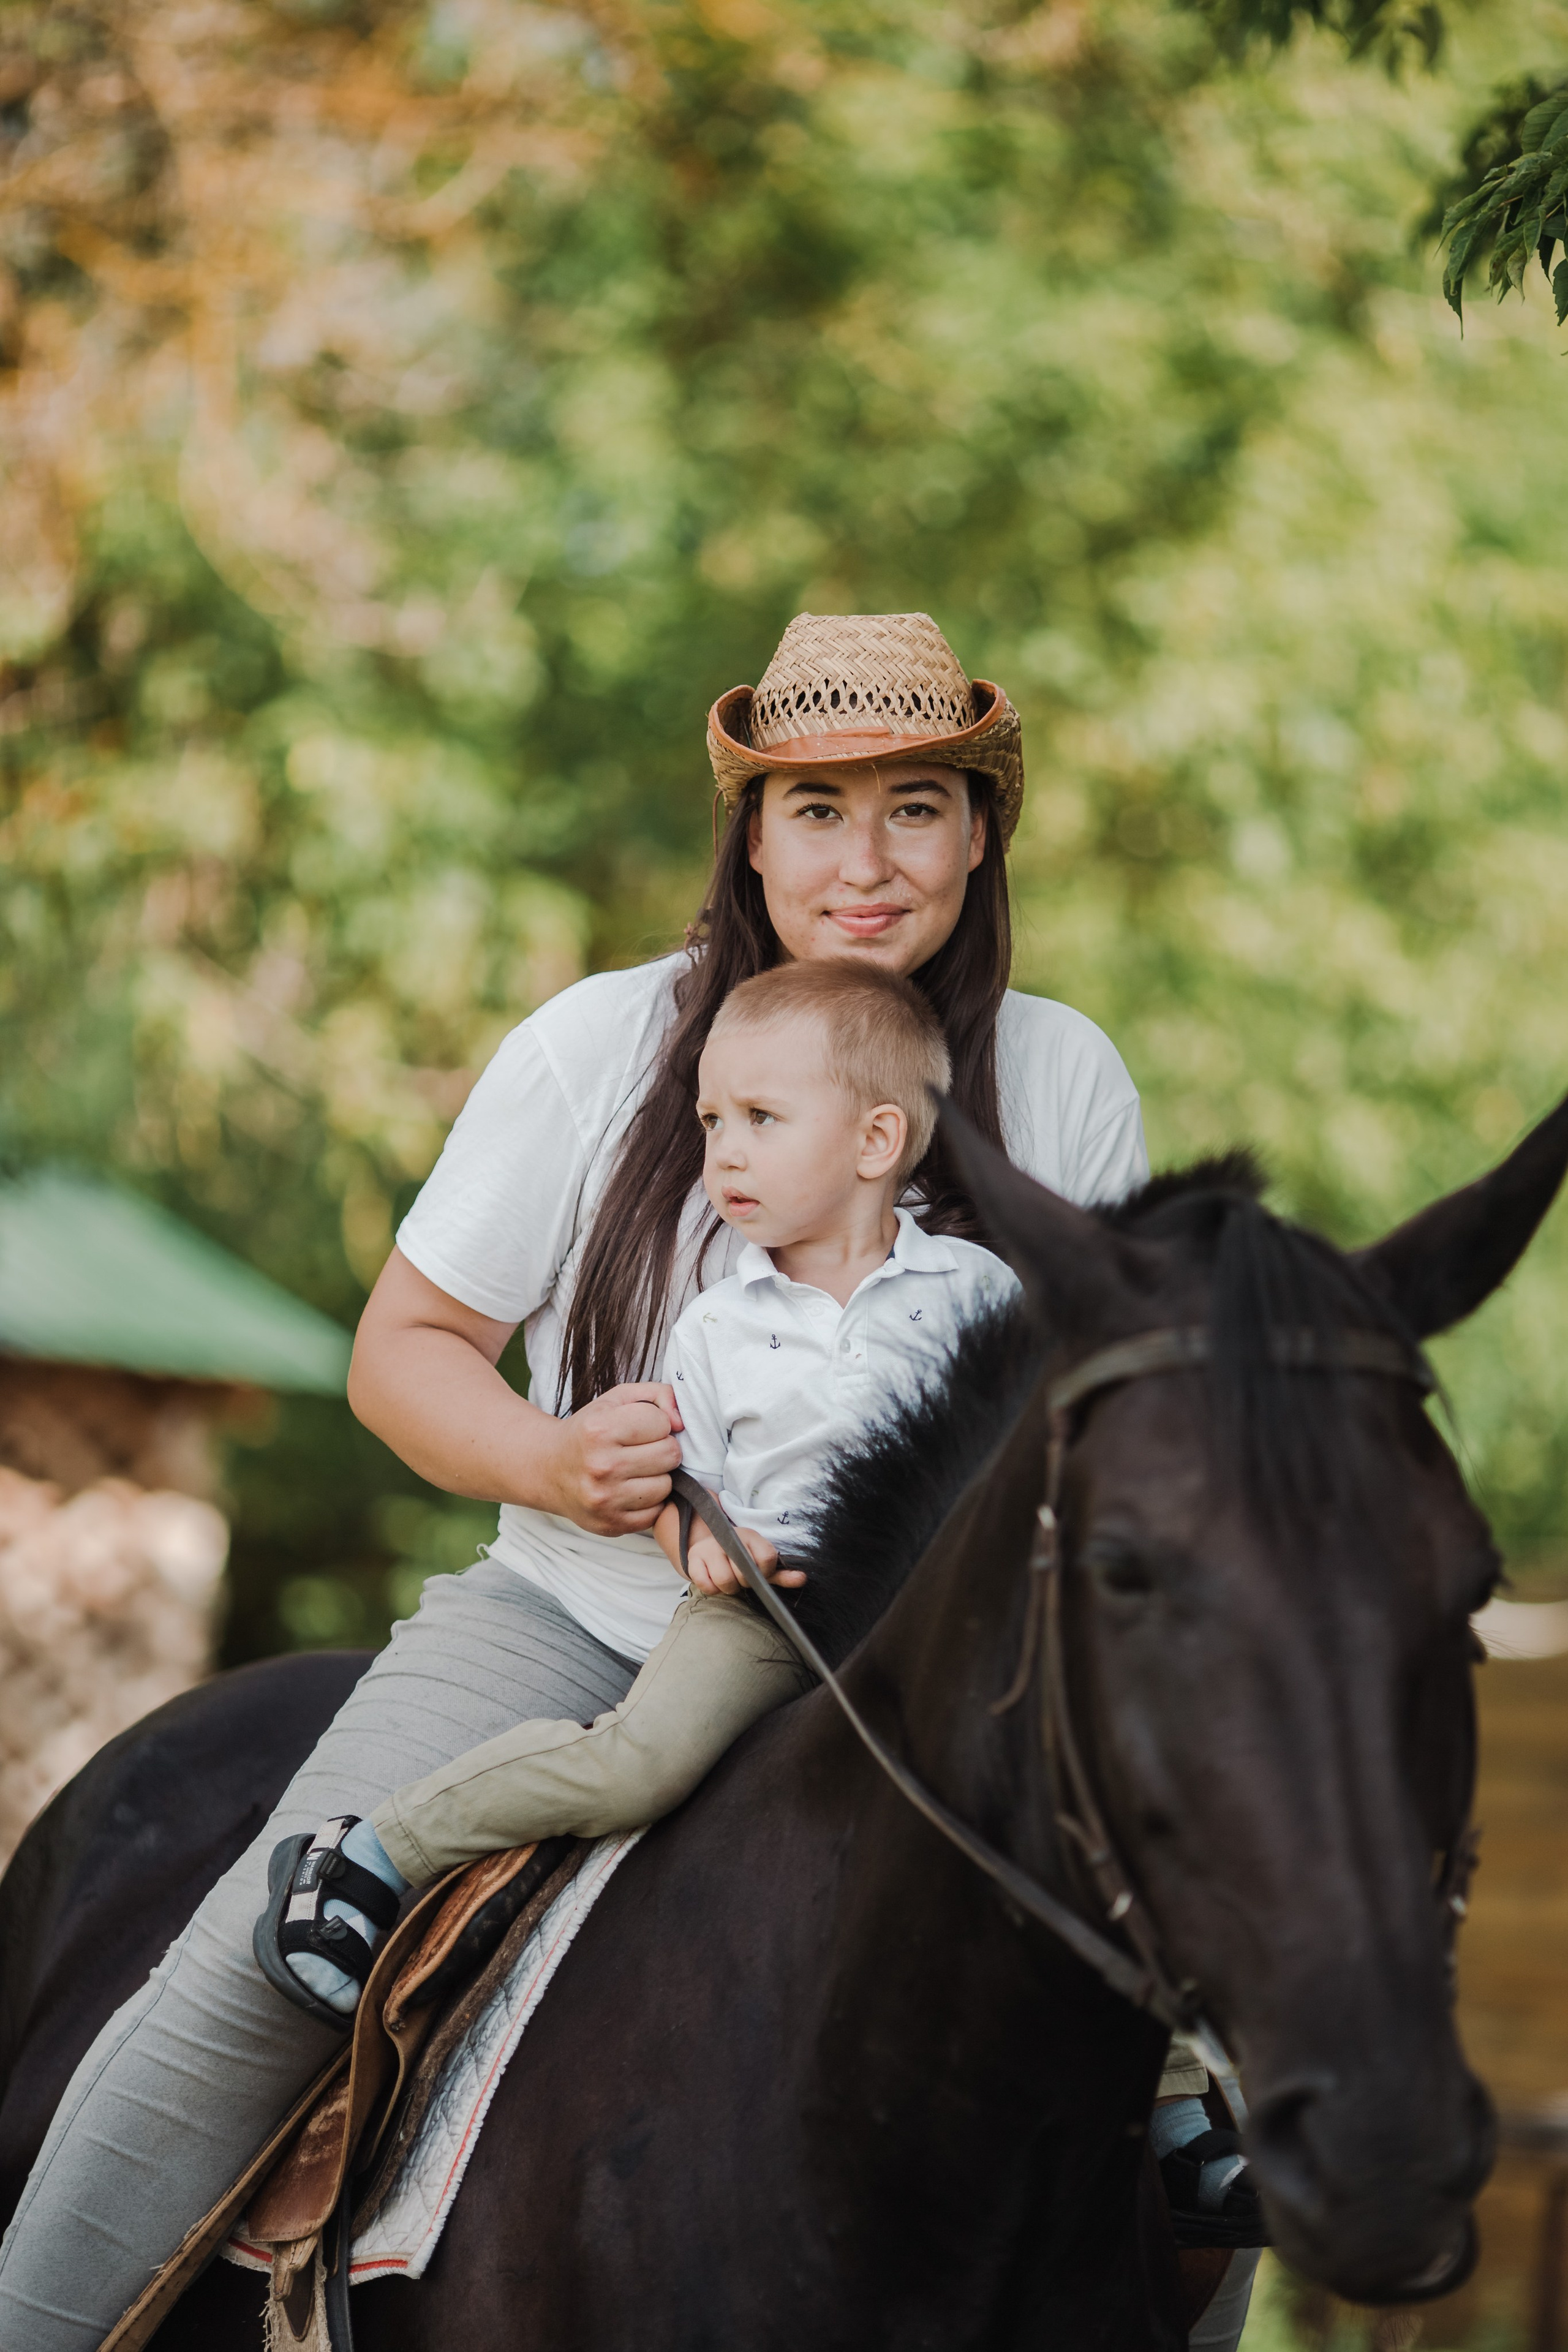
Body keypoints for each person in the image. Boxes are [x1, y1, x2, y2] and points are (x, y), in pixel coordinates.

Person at [0, 609, 1253, 2349]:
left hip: (921, 1687)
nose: (864, 860)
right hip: (579, 1625)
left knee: (1170, 2078)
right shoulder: (601, 1048)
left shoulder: (1061, 1080)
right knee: (241, 1980)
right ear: (752, 833)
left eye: (915, 806)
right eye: (815, 808)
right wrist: (553, 1460)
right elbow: (404, 1350)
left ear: (983, 832)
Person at [259, 961, 1020, 2018]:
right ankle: (384, 1844)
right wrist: (696, 1541)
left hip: (934, 1615)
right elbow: (684, 1482)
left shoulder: (978, 1294)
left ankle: (1171, 2099)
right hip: (770, 1603)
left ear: (877, 1142)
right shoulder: (714, 1325)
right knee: (642, 1762)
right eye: (711, 1120)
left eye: (761, 1117)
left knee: (1067, 1776)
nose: (725, 1153)